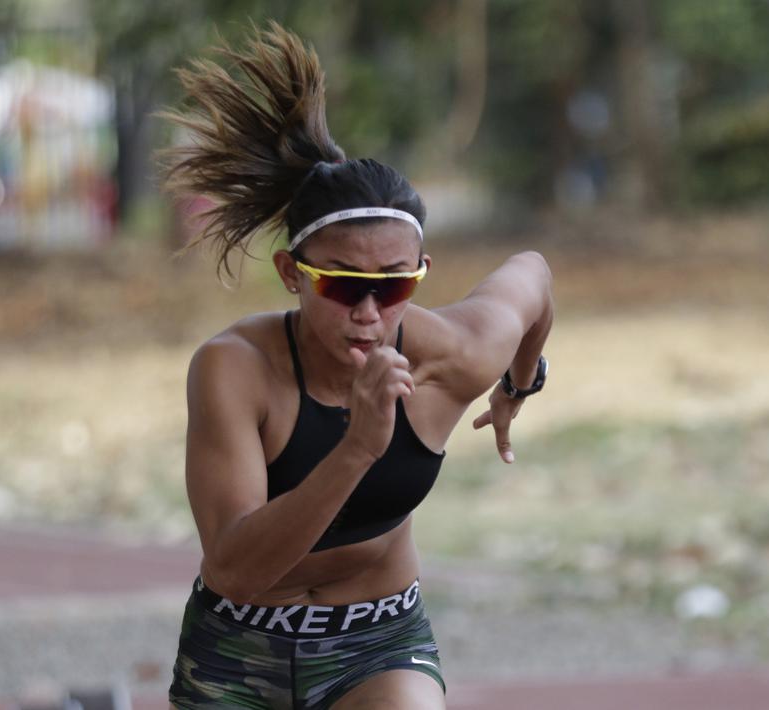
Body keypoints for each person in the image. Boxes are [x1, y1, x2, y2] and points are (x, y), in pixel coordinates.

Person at [160, 24, 554, 710]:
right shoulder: (235, 369)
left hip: (375, 642)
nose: (369, 312)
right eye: (342, 285)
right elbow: (234, 571)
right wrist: (358, 448)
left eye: (395, 285)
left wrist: (518, 382)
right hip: (237, 647)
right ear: (291, 274)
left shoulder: (453, 355)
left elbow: (533, 277)